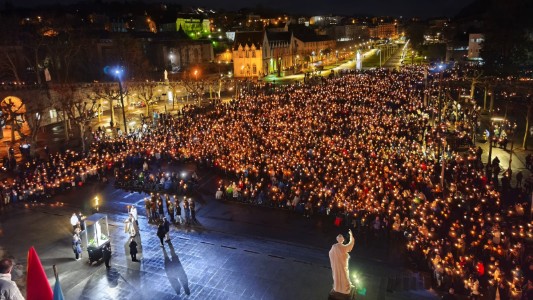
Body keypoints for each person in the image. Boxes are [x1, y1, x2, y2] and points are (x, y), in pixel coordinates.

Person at [329, 229, 355, 295]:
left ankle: (338, 287)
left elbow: (330, 254)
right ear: (342, 240)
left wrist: (335, 260)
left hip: (337, 265)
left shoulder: (334, 246)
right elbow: (350, 245)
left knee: (337, 275)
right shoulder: (343, 247)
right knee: (344, 276)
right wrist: (351, 236)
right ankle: (343, 288)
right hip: (342, 265)